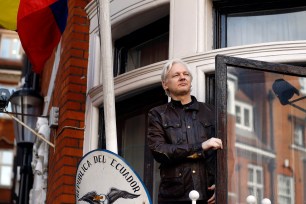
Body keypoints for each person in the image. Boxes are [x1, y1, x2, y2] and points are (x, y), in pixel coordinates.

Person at [147, 59, 223, 204]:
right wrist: (200, 147)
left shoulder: (211, 112)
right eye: (176, 75)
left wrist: (222, 184)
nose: (182, 77)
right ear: (165, 84)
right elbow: (159, 150)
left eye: (186, 74)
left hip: (210, 196)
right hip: (175, 197)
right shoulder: (157, 114)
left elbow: (226, 153)